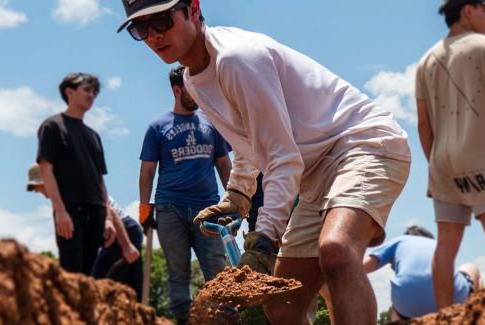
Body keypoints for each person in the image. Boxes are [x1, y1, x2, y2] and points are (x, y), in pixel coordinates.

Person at [117, 1, 412, 323]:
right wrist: (238, 195)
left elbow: (282, 159)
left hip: (362, 143)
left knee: (337, 250)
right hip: (313, 174)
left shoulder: (237, 59)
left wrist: (264, 241)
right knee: (282, 304)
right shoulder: (193, 78)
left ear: (193, 8)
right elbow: (248, 140)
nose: (153, 36)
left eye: (161, 20)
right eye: (140, 29)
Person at [416, 0, 485, 308]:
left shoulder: (425, 60)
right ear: (468, 10)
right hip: (483, 156)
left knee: (446, 245)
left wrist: (435, 162)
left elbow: (423, 123)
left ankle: (444, 315)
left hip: (441, 160)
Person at [137, 66, 232, 324]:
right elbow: (147, 171)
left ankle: (226, 321)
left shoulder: (211, 122)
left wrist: (234, 199)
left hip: (208, 211)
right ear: (177, 90)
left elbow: (224, 164)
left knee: (218, 272)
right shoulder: (158, 127)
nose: (198, 94)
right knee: (178, 275)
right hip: (170, 209)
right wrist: (145, 208)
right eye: (191, 89)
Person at [36, 72, 116, 275]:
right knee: (71, 273)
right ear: (69, 92)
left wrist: (108, 218)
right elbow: (46, 169)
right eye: (86, 90)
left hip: (97, 211)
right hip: (70, 210)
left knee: (88, 276)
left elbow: (101, 180)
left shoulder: (94, 136)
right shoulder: (52, 126)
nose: (91, 95)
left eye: (94, 92)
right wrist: (60, 211)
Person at [25, 163, 141, 297]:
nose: (38, 192)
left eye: (39, 187)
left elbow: (111, 211)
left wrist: (126, 245)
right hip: (120, 234)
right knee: (111, 289)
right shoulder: (63, 199)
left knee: (96, 286)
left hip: (123, 231)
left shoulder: (73, 190)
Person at [363, 226, 482, 321]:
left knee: (395, 312)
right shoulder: (439, 244)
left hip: (407, 305)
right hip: (455, 298)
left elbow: (362, 266)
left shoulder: (401, 240)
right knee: (471, 268)